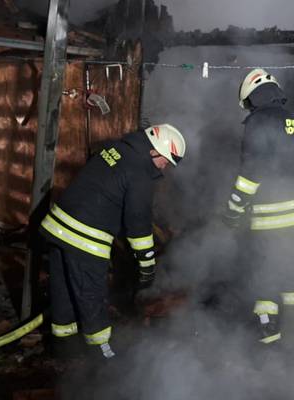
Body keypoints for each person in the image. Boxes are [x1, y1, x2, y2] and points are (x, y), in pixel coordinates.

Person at [42, 123, 186, 360]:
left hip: (57, 227)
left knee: (64, 289)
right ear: (156, 151)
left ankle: (62, 349)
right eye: (166, 161)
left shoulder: (115, 149)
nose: (165, 168)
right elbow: (138, 224)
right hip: (84, 237)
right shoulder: (140, 173)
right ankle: (101, 355)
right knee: (92, 295)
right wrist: (147, 266)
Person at [223, 68, 294, 345]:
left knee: (264, 275)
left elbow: (251, 170)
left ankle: (268, 339)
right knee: (292, 271)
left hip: (270, 218)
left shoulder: (258, 121)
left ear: (252, 97)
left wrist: (234, 208)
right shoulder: (292, 120)